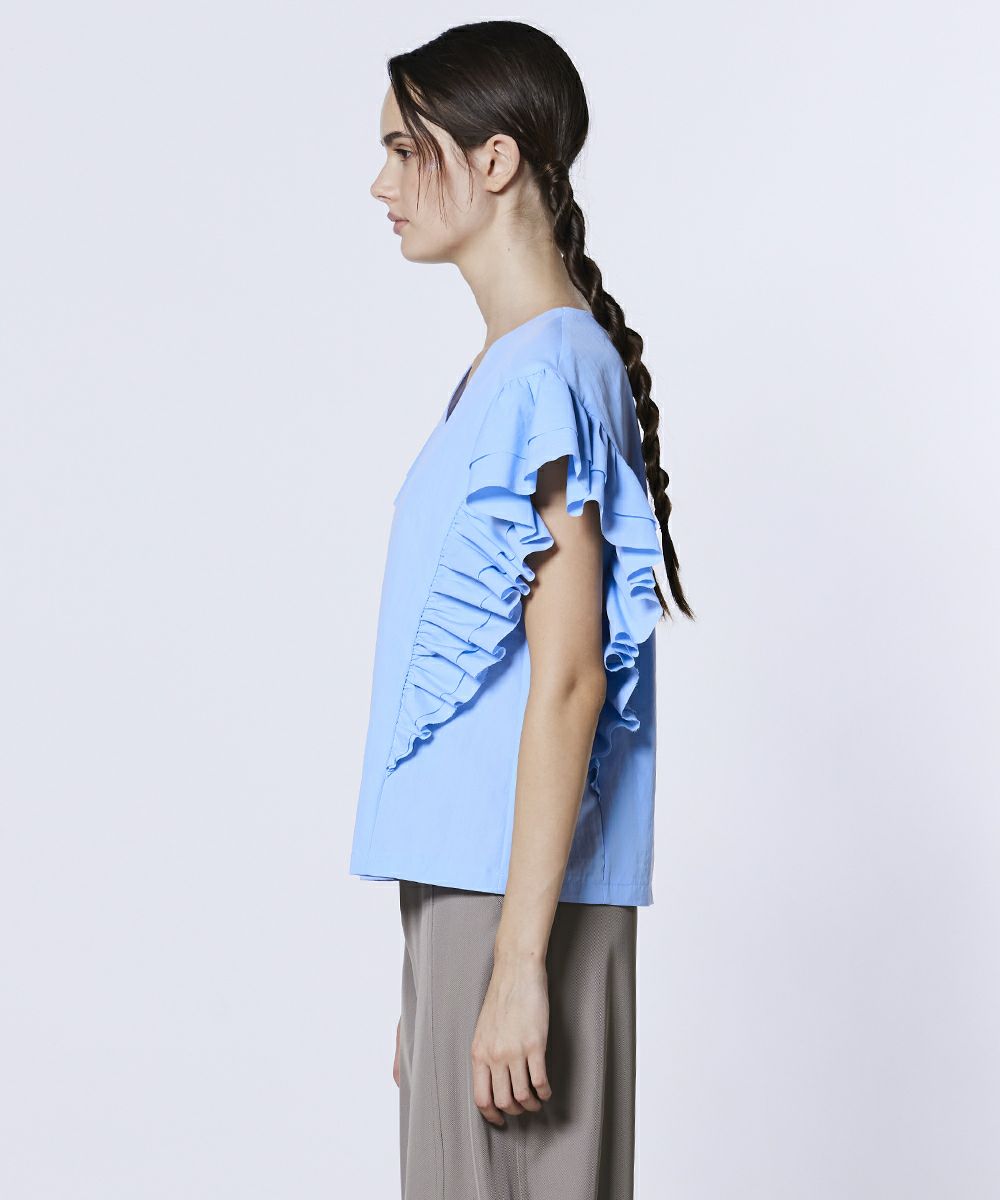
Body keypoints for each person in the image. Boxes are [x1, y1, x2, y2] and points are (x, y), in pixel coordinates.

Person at [351, 19, 694, 1198]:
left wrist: (511, 964)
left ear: (493, 160)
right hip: (484, 896)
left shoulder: (543, 370)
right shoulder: (525, 366)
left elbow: (571, 676)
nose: (382, 184)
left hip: (513, 901)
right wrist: (445, 967)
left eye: (405, 150)